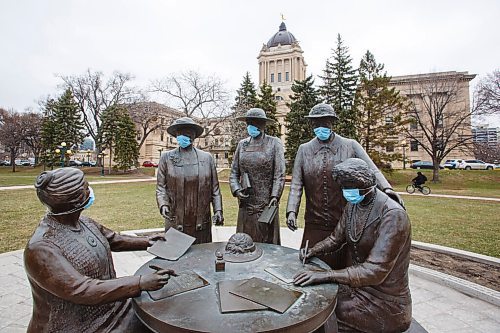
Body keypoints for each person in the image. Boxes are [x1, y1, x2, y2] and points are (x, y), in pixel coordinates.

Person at [24, 168, 175, 333]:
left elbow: (114, 239)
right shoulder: (41, 249)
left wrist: (148, 241)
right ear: (77, 201)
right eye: (87, 188)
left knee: (163, 310)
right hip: (78, 326)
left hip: (112, 308)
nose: (91, 191)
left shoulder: (84, 223)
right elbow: (82, 290)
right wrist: (140, 282)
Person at [294, 158, 412, 333]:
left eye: (348, 188)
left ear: (366, 185)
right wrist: (313, 250)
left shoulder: (393, 216)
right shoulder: (354, 205)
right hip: (357, 289)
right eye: (343, 188)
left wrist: (327, 275)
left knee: (319, 315)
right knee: (313, 297)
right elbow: (335, 239)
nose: (345, 192)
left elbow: (375, 271)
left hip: (386, 304)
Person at [286, 103, 404, 268]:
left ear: (332, 123)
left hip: (344, 220)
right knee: (309, 264)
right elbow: (296, 184)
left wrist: (387, 189)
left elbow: (372, 170)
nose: (320, 127)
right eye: (316, 123)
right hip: (314, 220)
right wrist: (292, 211)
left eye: (325, 123)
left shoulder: (350, 145)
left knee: (346, 269)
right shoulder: (304, 150)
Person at [156, 117, 224, 244]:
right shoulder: (166, 158)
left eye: (187, 134)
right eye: (180, 134)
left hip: (200, 220)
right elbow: (161, 187)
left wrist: (218, 210)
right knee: (175, 257)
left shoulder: (207, 158)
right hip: (176, 218)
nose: (183, 137)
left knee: (201, 256)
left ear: (193, 136)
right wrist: (163, 204)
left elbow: (215, 189)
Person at [229, 108, 285, 244]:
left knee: (266, 241)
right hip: (246, 203)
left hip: (266, 204)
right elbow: (234, 173)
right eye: (248, 123)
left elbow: (279, 174)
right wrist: (237, 190)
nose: (250, 127)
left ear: (262, 125)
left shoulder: (274, 143)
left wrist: (275, 196)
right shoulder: (242, 144)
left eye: (253, 123)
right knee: (244, 242)